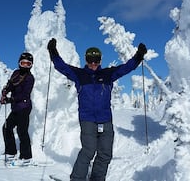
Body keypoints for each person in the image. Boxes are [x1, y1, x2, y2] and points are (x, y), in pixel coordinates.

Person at [47, 38, 147, 181]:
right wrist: (53, 51)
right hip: (87, 119)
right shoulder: (79, 75)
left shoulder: (108, 74)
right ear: (86, 60)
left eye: (96, 60)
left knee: (105, 153)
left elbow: (127, 67)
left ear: (100, 60)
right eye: (90, 60)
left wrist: (138, 56)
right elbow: (61, 66)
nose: (93, 63)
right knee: (88, 150)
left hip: (105, 120)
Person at [0, 52, 34, 163]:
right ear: (19, 63)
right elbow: (11, 84)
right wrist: (5, 91)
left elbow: (24, 94)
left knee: (21, 131)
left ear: (31, 65)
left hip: (24, 107)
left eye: (28, 64)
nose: (25, 66)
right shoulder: (16, 73)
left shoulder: (30, 78)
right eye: (23, 63)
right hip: (16, 108)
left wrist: (10, 99)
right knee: (6, 127)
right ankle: (10, 152)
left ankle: (26, 157)